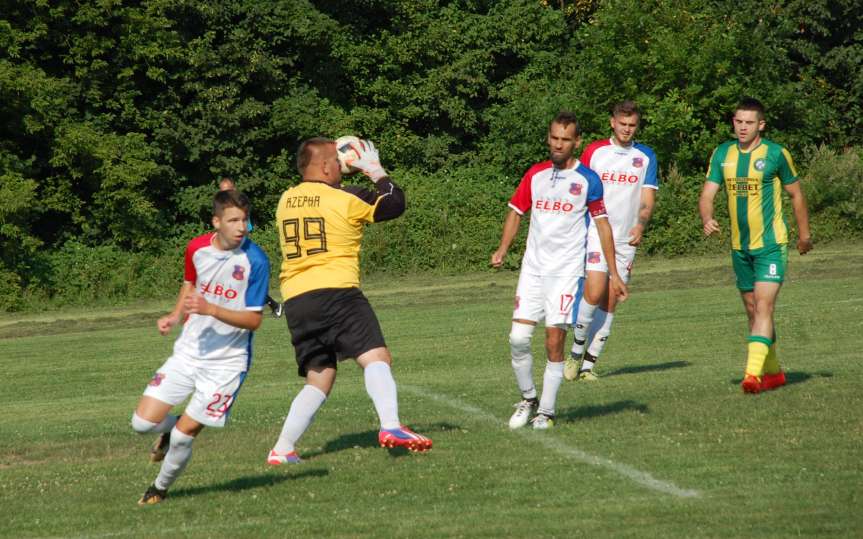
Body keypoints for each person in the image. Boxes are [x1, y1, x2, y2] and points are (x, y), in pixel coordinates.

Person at [266, 137, 431, 465]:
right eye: (336, 161)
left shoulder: (286, 199)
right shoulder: (344, 196)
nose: (342, 166)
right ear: (325, 166)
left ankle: (282, 448)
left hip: (297, 300)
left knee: (320, 376)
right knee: (376, 356)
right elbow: (394, 203)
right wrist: (376, 172)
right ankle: (391, 426)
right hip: (336, 292)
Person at [491, 111, 628, 430]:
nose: (558, 144)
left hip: (566, 274)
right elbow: (515, 212)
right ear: (548, 138)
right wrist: (502, 249)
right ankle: (528, 398)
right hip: (533, 271)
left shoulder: (588, 180)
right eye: (554, 138)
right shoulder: (535, 175)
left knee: (553, 343)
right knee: (517, 338)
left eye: (565, 139)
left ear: (576, 142)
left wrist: (615, 274)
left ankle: (547, 412)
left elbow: (603, 227)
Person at [131, 189, 270, 505]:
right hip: (189, 352)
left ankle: (159, 489)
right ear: (216, 221)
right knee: (142, 424)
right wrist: (175, 314)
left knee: (183, 436)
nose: (241, 227)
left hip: (227, 364)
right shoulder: (196, 248)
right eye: (233, 220)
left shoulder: (256, 261)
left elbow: (253, 320)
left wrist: (212, 310)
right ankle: (167, 431)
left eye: (245, 220)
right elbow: (189, 284)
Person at [699, 97, 812, 394]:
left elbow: (796, 195)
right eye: (738, 121)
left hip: (771, 245)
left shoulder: (775, 154)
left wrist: (804, 235)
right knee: (753, 311)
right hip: (739, 248)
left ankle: (751, 376)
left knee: (764, 306)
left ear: (761, 124)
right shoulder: (723, 153)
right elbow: (708, 193)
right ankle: (773, 373)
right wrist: (707, 218)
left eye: (749, 122)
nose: (743, 127)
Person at [566, 101, 659, 381]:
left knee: (611, 299)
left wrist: (641, 225)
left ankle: (587, 367)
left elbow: (647, 196)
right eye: (623, 124)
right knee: (593, 292)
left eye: (632, 125)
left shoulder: (645, 156)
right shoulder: (595, 151)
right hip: (596, 231)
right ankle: (574, 354)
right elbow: (579, 187)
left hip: (625, 240)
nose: (627, 130)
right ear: (613, 123)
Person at [218, 177, 283, 318]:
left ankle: (272, 305)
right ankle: (273, 305)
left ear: (234, 189)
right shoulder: (221, 208)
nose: (225, 194)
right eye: (222, 191)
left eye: (228, 191)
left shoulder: (241, 206)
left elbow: (247, 227)